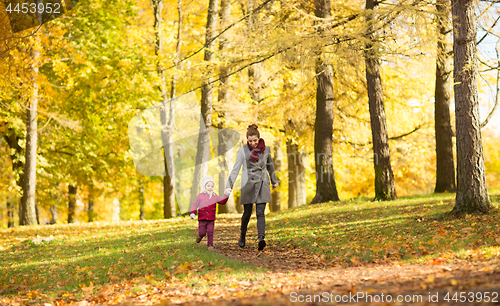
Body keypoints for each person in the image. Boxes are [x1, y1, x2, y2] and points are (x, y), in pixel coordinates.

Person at [225, 124, 278, 251]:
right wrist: (229, 186)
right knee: (247, 213)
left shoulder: (267, 149)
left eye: (255, 140)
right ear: (247, 140)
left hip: (262, 183)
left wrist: (274, 180)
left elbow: (270, 166)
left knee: (260, 213)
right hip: (248, 184)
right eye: (250, 141)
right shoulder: (242, 151)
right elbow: (235, 169)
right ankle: (242, 236)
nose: (253, 143)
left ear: (259, 139)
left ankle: (261, 239)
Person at [190, 175, 228, 250]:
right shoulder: (200, 196)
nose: (210, 188)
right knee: (202, 232)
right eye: (208, 186)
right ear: (205, 187)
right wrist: (192, 213)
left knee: (210, 232)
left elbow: (222, 202)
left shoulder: (215, 196)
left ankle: (210, 245)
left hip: (211, 219)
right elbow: (195, 205)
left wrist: (226, 194)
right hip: (202, 218)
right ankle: (200, 236)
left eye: (212, 186)